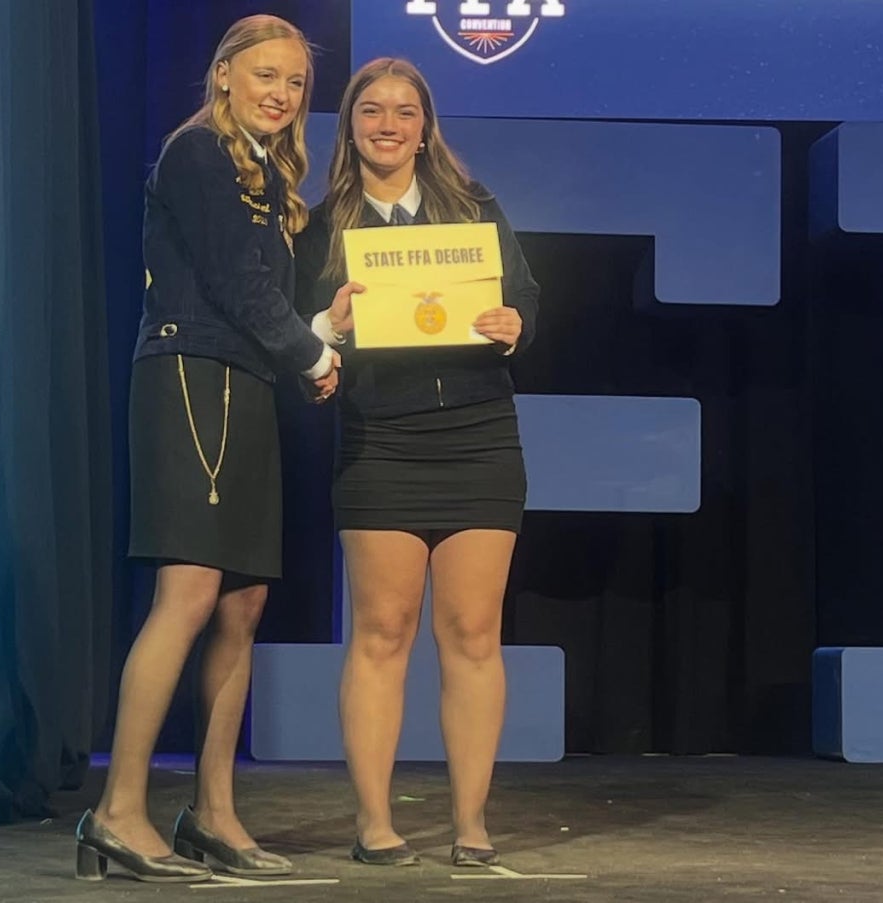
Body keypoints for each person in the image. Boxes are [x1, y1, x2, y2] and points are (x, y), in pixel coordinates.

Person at [75, 15, 343, 883]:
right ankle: (119, 809)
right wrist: (310, 352)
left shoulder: (263, 170)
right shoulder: (197, 151)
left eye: (296, 82)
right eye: (266, 74)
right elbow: (229, 281)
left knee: (243, 603)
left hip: (243, 384)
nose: (281, 93)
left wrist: (317, 328)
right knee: (187, 594)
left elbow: (255, 291)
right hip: (192, 378)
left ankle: (215, 811)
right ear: (223, 74)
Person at [294, 57, 539, 868]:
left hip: (478, 437)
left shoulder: (476, 210)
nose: (388, 124)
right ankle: (375, 821)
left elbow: (526, 301)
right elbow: (301, 339)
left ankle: (471, 823)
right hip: (380, 443)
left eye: (404, 111)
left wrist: (514, 322)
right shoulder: (322, 224)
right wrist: (325, 327)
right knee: (381, 632)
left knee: (472, 634)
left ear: (426, 127)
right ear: (351, 124)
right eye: (372, 111)